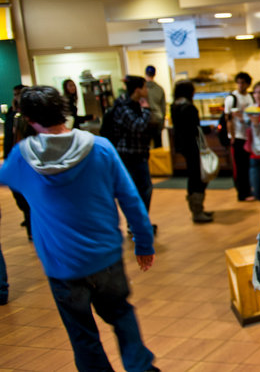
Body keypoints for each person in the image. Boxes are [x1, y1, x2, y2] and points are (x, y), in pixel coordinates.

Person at [0, 86, 159, 371]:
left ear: (29, 119)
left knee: (81, 333)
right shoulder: (99, 147)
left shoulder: (22, 158)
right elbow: (130, 198)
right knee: (121, 315)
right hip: (106, 257)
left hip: (61, 264)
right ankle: (141, 368)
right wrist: (144, 243)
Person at [170, 80, 214, 223]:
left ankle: (197, 208)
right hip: (194, 146)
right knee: (198, 177)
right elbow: (195, 129)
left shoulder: (174, 106)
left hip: (183, 147)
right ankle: (197, 210)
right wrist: (210, 129)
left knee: (193, 175)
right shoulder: (189, 108)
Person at [110, 76, 155, 213]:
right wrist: (147, 110)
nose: (147, 90)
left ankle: (142, 221)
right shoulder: (123, 107)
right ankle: (137, 223)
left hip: (139, 153)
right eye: (145, 87)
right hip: (129, 155)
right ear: (137, 90)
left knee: (145, 189)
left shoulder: (136, 105)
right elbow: (138, 126)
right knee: (135, 190)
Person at [4, 85, 32, 241]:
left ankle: (31, 227)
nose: (17, 97)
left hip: (27, 161)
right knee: (20, 196)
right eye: (15, 94)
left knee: (28, 197)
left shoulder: (28, 117)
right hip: (15, 159)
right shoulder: (12, 115)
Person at [225, 72, 255, 201]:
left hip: (250, 136)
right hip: (238, 136)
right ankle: (242, 193)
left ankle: (249, 190)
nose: (240, 85)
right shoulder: (232, 98)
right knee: (240, 166)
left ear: (248, 84)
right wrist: (231, 137)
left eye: (243, 83)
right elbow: (228, 119)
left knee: (249, 165)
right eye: (238, 82)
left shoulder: (251, 97)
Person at [144, 65, 167, 149]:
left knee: (146, 146)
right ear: (155, 74)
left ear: (145, 74)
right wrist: (162, 122)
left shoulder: (142, 89)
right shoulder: (159, 89)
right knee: (158, 145)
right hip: (157, 119)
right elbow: (163, 107)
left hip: (145, 120)